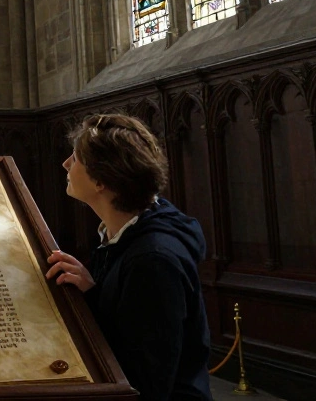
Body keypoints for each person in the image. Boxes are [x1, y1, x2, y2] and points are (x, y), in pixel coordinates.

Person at [45, 113, 212, 401]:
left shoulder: (154, 260)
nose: (66, 164)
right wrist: (92, 292)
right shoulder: (128, 233)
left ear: (101, 180)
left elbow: (145, 382)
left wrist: (94, 298)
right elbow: (129, 328)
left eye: (75, 157)